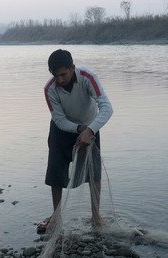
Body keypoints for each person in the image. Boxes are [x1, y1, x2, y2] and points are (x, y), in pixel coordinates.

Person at [38, 49, 113, 234]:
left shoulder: (88, 77)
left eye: (63, 74)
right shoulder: (50, 89)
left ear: (72, 68)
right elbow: (60, 119)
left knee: (93, 171)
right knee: (56, 170)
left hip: (90, 125)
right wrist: (79, 130)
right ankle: (56, 216)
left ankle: (96, 215)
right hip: (61, 129)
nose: (60, 79)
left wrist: (89, 130)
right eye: (56, 76)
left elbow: (107, 108)